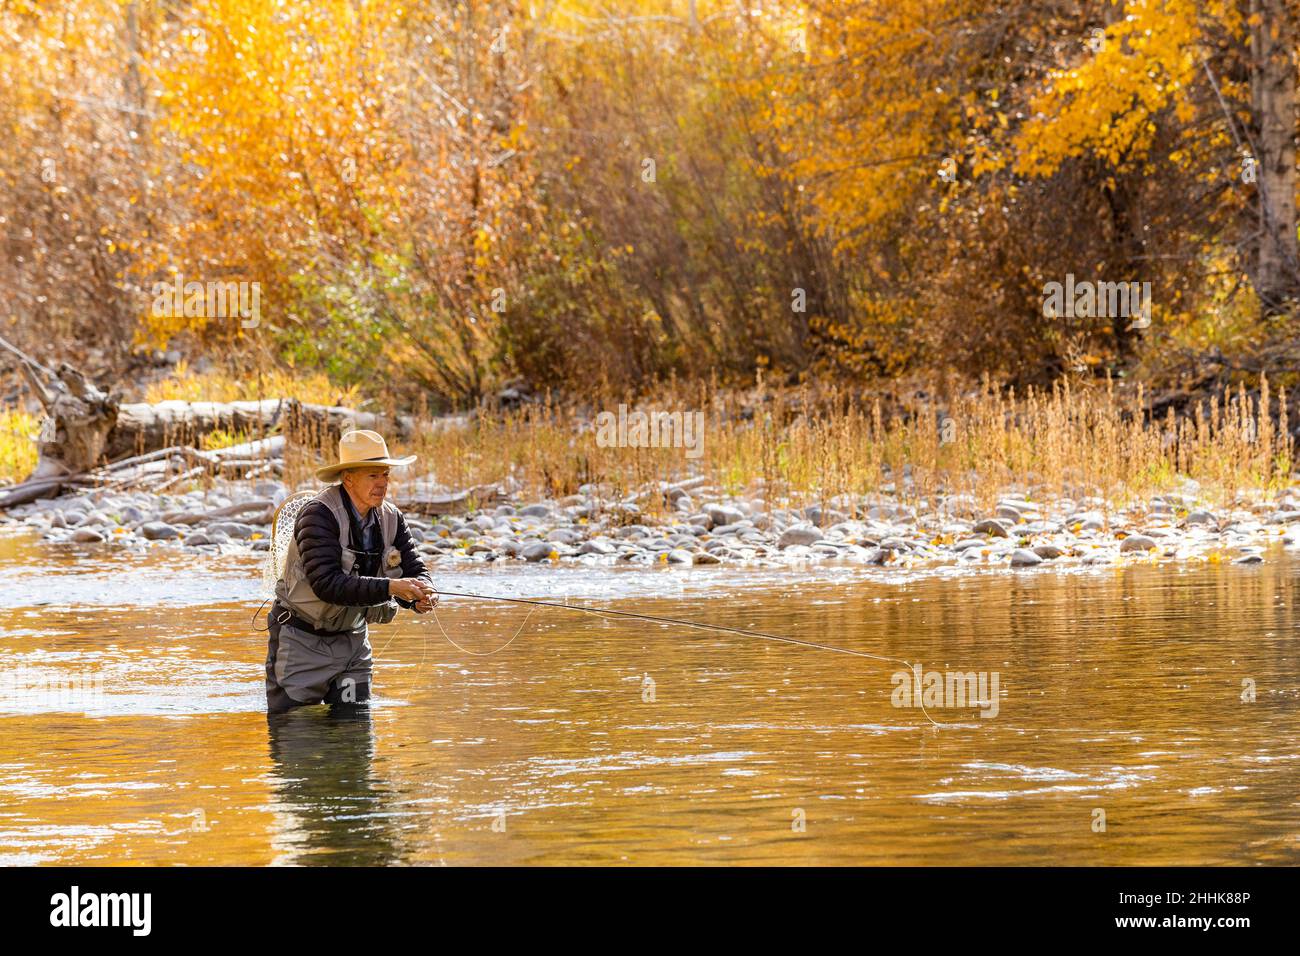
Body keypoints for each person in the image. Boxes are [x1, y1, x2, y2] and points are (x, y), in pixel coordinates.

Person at [265, 429, 436, 713]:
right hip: (301, 642)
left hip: (354, 644)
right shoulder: (317, 515)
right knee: (295, 739)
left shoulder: (393, 517)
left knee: (355, 738)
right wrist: (392, 588)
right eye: (373, 476)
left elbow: (414, 568)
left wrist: (422, 595)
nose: (382, 483)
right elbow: (327, 584)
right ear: (348, 478)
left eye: (385, 475)